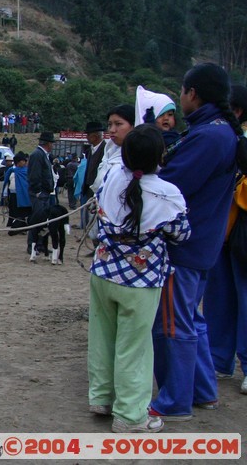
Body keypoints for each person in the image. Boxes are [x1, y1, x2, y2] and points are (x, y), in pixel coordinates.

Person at [149, 63, 245, 421]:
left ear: (193, 93)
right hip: (203, 242)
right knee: (190, 318)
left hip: (185, 246)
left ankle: (175, 400)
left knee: (172, 324)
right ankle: (203, 391)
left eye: (182, 91)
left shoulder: (208, 137)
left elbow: (170, 186)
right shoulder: (217, 132)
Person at [88, 125, 190, 434]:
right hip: (141, 281)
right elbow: (181, 234)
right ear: (160, 156)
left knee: (103, 337)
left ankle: (101, 397)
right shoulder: (167, 193)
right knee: (135, 347)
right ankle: (131, 416)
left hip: (103, 272)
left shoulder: (111, 178)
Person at [204, 84, 247, 394]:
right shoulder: (221, 138)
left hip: (241, 227)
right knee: (220, 295)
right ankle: (219, 360)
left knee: (244, 296)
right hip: (222, 227)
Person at [92, 105, 136, 193]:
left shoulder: (137, 156)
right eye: (109, 125)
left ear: (134, 125)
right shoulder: (108, 151)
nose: (112, 130)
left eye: (118, 124)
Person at [27, 131, 56, 253]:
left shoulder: (42, 155)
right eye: (52, 143)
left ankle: (41, 244)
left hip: (45, 192)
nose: (53, 146)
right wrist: (37, 191)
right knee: (36, 219)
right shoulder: (37, 155)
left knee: (44, 221)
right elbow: (34, 175)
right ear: (48, 144)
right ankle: (32, 245)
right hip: (39, 193)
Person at [82, 121, 107, 229]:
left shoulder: (106, 150)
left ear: (95, 135)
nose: (87, 137)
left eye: (88, 134)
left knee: (98, 223)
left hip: (99, 192)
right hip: (89, 190)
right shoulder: (90, 151)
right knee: (90, 221)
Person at [1, 152, 31, 234]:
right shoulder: (11, 170)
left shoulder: (27, 171)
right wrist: (5, 194)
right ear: (18, 162)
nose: (24, 162)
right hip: (14, 195)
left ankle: (24, 228)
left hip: (25, 195)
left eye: (25, 161)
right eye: (23, 161)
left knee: (24, 212)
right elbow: (6, 183)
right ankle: (15, 227)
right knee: (14, 212)